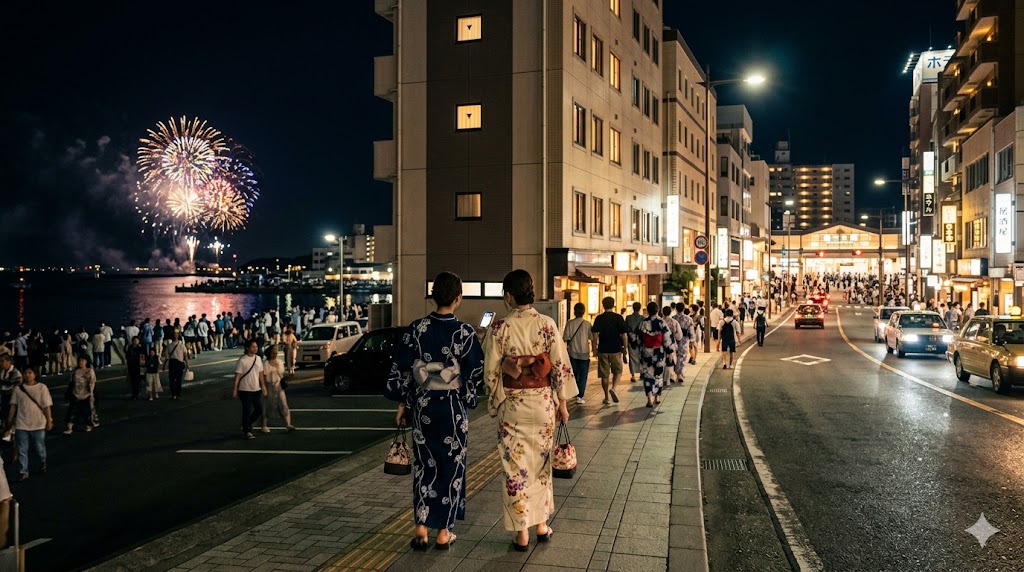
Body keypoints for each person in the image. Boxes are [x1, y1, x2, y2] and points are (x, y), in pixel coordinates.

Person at [386, 271, 484, 551]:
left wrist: (404, 402)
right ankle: (443, 532)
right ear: (458, 298)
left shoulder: (416, 329)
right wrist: (465, 393)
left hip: (423, 407)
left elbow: (403, 369)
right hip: (452, 409)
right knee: (451, 467)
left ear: (433, 296)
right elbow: (475, 370)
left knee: (425, 466)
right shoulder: (464, 333)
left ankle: (421, 528)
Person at [483, 269, 575, 552]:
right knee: (541, 466)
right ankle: (542, 526)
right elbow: (559, 366)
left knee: (514, 469)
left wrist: (498, 396)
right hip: (543, 404)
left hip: (513, 405)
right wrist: (562, 403)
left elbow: (490, 373)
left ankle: (521, 533)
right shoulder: (547, 324)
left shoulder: (499, 329)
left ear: (509, 296)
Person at [6, 367, 53, 481]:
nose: (27, 375)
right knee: (22, 449)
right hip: (22, 423)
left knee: (39, 447)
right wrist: (9, 420)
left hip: (38, 423)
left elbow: (46, 406)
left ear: (35, 374)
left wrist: (49, 420)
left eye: (30, 373)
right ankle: (23, 471)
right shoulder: (18, 389)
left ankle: (42, 461)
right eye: (25, 373)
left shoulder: (42, 388)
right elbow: (13, 406)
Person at [591, 296, 629, 405]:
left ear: (603, 305)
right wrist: (625, 350)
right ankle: (614, 388)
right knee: (618, 371)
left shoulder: (599, 318)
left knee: (604, 374)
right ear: (613, 305)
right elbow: (624, 335)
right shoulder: (618, 318)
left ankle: (606, 397)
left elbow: (595, 335)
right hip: (616, 349)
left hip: (603, 349)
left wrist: (594, 349)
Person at [638, 303, 674, 407]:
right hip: (659, 352)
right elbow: (667, 337)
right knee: (658, 374)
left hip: (646, 352)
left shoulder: (643, 322)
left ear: (648, 311)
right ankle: (657, 396)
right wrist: (670, 351)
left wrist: (640, 349)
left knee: (647, 374)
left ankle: (650, 398)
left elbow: (639, 338)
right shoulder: (661, 322)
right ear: (657, 311)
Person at [232, 340, 266, 440]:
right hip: (245, 389)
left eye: (256, 346)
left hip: (256, 389)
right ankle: (247, 431)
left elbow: (261, 374)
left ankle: (247, 423)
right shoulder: (242, 360)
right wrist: (235, 389)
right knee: (247, 410)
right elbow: (237, 376)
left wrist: (263, 386)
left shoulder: (258, 359)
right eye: (253, 347)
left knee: (259, 409)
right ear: (247, 348)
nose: (255, 348)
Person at [562, 302, 593, 405]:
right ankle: (580, 396)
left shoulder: (569, 323)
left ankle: (572, 393)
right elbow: (591, 337)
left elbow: (565, 338)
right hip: (584, 353)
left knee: (573, 374)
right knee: (583, 375)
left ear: (574, 311)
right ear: (583, 312)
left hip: (572, 353)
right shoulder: (587, 324)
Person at [261, 346, 295, 433]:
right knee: (268, 405)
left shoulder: (279, 362)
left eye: (276, 353)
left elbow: (281, 374)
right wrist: (264, 387)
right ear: (269, 353)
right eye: (273, 353)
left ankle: (288, 424)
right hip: (269, 386)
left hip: (278, 385)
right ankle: (264, 425)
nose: (275, 354)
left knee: (284, 404)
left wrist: (277, 368)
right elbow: (264, 377)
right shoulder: (266, 363)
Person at [64, 356, 96, 434]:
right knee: (72, 411)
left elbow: (92, 382)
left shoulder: (89, 371)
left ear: (86, 362)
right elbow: (71, 382)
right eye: (80, 361)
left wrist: (91, 393)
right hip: (76, 393)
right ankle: (69, 428)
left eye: (83, 360)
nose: (81, 362)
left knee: (86, 411)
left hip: (86, 394)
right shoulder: (75, 371)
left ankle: (87, 425)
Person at [0, 354, 23, 435]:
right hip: (4, 397)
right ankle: (7, 433)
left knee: (11, 417)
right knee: (4, 415)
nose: (1, 363)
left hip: (13, 398)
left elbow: (13, 385)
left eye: (2, 361)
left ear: (9, 361)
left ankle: (11, 435)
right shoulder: (2, 372)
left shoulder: (15, 372)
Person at [163, 331, 189, 400]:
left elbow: (167, 357)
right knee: (178, 380)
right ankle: (177, 394)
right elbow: (185, 355)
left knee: (173, 380)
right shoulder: (181, 345)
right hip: (179, 363)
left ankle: (174, 394)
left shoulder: (169, 345)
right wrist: (187, 364)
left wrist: (164, 365)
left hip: (172, 363)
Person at [661, 306, 684, 384]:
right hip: (671, 343)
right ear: (670, 312)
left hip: (660, 344)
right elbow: (679, 335)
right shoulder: (674, 322)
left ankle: (665, 377)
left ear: (662, 312)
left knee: (662, 360)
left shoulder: (660, 321)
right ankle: (670, 377)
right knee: (671, 360)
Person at [624, 302, 644, 382]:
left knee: (632, 358)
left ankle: (633, 375)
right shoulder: (642, 318)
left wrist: (632, 336)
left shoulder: (628, 318)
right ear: (640, 308)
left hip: (631, 340)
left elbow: (626, 329)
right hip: (640, 340)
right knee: (641, 357)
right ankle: (641, 373)